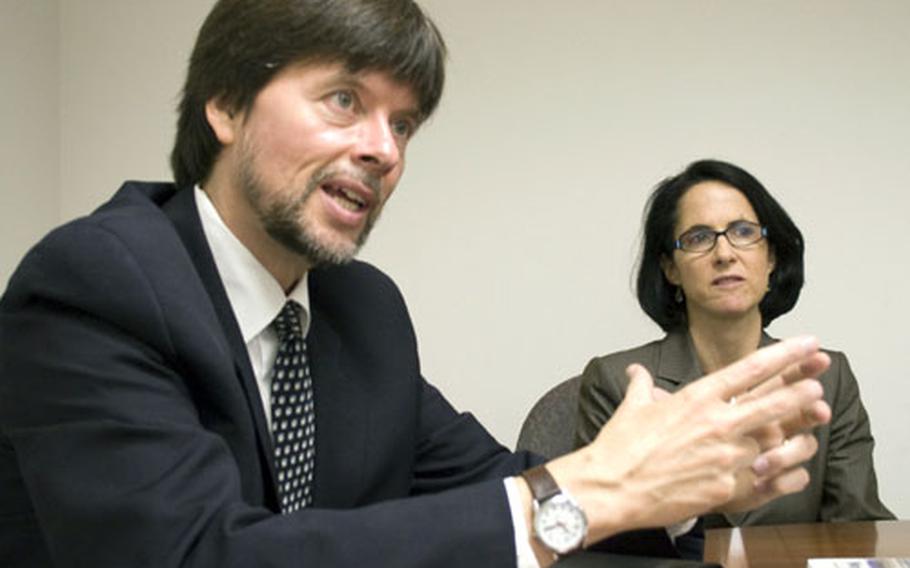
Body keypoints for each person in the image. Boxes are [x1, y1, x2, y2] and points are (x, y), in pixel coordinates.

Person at [0, 2, 831, 567]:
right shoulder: (95, 283)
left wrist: (673, 485)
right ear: (225, 103)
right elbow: (197, 555)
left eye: (402, 124)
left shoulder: (363, 309)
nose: (383, 149)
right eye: (343, 100)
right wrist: (589, 491)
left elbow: (500, 482)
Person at [576, 159, 893, 529]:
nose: (724, 254)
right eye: (698, 238)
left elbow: (856, 530)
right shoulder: (618, 383)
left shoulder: (827, 378)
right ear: (670, 268)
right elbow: (596, 535)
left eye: (743, 232)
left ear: (771, 257)